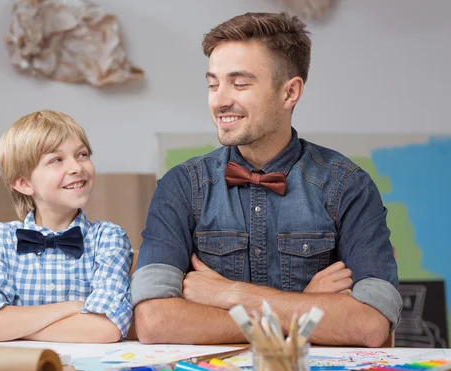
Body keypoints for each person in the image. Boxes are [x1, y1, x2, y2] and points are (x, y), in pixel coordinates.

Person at [131, 12, 401, 347]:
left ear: (290, 92)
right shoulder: (181, 187)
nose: (219, 100)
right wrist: (307, 307)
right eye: (213, 84)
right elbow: (155, 321)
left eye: (240, 83)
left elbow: (370, 324)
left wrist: (228, 293)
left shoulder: (348, 186)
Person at [0, 110, 133, 343]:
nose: (76, 167)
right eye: (56, 160)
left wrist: (11, 328)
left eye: (82, 154)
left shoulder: (109, 238)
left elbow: (106, 329)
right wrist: (71, 308)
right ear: (24, 183)